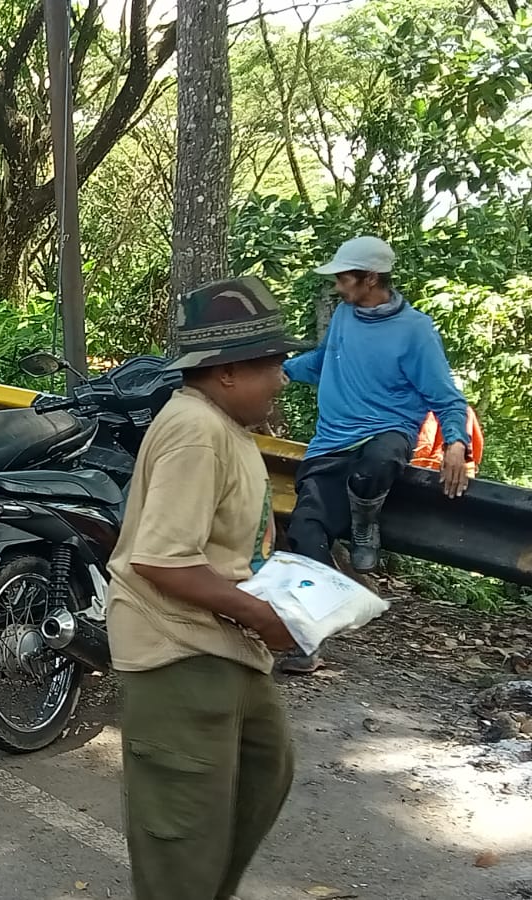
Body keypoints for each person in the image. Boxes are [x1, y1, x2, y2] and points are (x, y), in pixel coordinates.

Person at [108, 277, 304, 900]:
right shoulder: (196, 430)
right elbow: (162, 561)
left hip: (226, 646)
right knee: (183, 844)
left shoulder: (229, 427)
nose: (281, 378)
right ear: (224, 372)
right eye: (270, 364)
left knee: (264, 776)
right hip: (178, 651)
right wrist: (262, 616)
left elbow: (223, 545)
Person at [281, 236, 471, 673]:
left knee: (377, 463)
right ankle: (306, 641)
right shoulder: (345, 317)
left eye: (343, 278)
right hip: (331, 444)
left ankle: (366, 524)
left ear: (369, 278)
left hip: (387, 434)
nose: (337, 287)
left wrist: (454, 443)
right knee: (306, 532)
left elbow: (444, 396)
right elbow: (323, 362)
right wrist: (278, 370)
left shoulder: (416, 330)